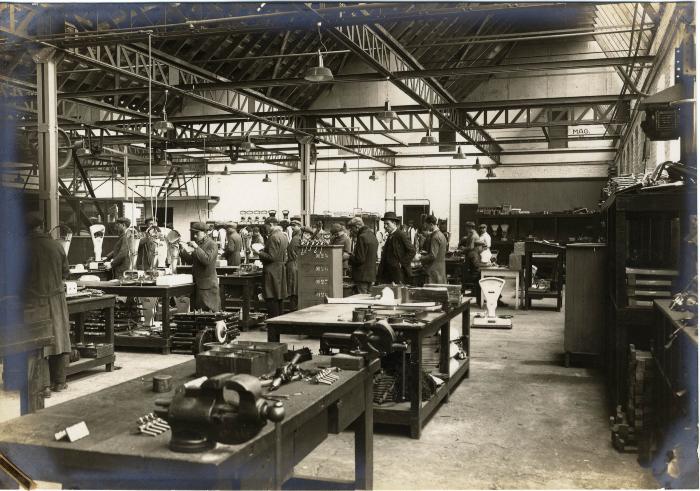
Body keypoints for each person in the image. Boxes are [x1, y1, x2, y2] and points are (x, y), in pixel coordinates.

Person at [24, 213, 71, 394]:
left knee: (37, 343)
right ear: (41, 226)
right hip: (57, 300)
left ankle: (42, 386)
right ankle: (59, 382)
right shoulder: (56, 246)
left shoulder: (22, 248)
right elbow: (65, 273)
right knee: (59, 339)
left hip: (33, 302)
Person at [178, 222, 221, 311]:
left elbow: (207, 260)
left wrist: (196, 247)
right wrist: (182, 250)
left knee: (209, 313)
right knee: (198, 314)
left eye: (197, 233)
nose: (195, 236)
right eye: (194, 233)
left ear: (205, 233)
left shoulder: (212, 244)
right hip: (197, 284)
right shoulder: (200, 244)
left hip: (207, 287)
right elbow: (191, 261)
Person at [258, 217, 288, 318]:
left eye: (266, 226)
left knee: (271, 297)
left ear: (270, 224)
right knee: (279, 297)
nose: (265, 228)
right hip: (280, 270)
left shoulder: (273, 237)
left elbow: (271, 257)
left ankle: (272, 324)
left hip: (271, 271)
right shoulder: (283, 236)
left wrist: (259, 252)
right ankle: (280, 322)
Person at [376, 211, 415, 284]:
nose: (385, 226)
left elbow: (412, 251)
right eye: (384, 224)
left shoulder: (401, 235)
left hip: (398, 274)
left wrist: (401, 263)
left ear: (394, 224)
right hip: (388, 274)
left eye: (387, 224)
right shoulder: (390, 236)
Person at [347, 216, 378, 294]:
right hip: (371, 275)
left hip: (361, 276)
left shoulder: (361, 237)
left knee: (361, 299)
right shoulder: (372, 235)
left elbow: (360, 259)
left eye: (352, 229)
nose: (351, 231)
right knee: (369, 301)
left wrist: (349, 257)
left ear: (357, 227)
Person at [420, 215, 447, 284]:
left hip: (433, 272)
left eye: (427, 226)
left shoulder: (435, 237)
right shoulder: (441, 235)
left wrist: (421, 257)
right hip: (440, 270)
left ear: (431, 224)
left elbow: (432, 256)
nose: (426, 228)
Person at [286, 218, 302, 310]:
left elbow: (291, 252)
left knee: (293, 290)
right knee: (294, 289)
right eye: (291, 226)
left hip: (293, 265)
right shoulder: (297, 237)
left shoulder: (295, 238)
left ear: (299, 227)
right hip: (295, 265)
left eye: (294, 226)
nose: (292, 228)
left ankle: (293, 309)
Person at [466, 239, 487, 305]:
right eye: (482, 247)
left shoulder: (475, 253)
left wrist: (485, 263)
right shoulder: (474, 254)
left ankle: (480, 299)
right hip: (473, 275)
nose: (483, 249)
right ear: (478, 247)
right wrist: (486, 265)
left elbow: (477, 263)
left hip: (473, 273)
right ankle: (495, 299)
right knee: (490, 278)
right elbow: (476, 264)